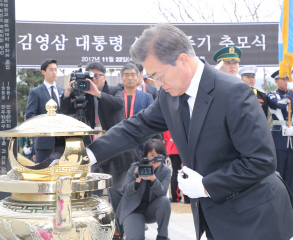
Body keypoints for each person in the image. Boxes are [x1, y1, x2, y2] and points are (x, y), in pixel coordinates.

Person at [86, 23, 293, 240]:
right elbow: (134, 127)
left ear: (183, 60)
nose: (157, 83)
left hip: (255, 216)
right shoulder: (169, 95)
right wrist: (85, 156)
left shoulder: (233, 92)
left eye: (158, 75)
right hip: (215, 216)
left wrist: (205, 186)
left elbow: (261, 160)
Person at [60, 61, 141, 239]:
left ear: (104, 76)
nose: (93, 79)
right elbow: (63, 111)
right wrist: (68, 92)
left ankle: (118, 230)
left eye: (97, 76)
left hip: (116, 150)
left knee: (117, 192)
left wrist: (97, 93)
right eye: (90, 75)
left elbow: (118, 104)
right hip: (92, 151)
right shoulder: (82, 94)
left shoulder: (114, 90)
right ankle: (94, 229)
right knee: (92, 192)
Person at [115, 139, 171, 240]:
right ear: (146, 155)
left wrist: (153, 179)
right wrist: (137, 180)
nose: (155, 159)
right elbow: (125, 191)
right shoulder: (135, 167)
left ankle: (162, 236)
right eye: (152, 155)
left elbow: (162, 192)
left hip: (151, 210)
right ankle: (123, 228)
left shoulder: (165, 171)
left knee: (165, 201)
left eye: (158, 155)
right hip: (133, 210)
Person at [25, 59, 65, 163]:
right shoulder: (35, 92)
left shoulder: (63, 91)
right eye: (51, 70)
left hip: (63, 143)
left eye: (56, 69)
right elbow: (30, 116)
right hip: (44, 143)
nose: (54, 72)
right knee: (44, 174)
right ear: (43, 72)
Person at [267, 70, 293, 192]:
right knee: (279, 171)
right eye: (283, 79)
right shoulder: (272, 95)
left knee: (291, 173)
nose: (286, 81)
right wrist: (290, 95)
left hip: (291, 139)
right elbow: (279, 105)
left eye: (288, 78)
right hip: (278, 137)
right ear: (276, 81)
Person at [121, 63, 153, 154]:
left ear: (138, 77)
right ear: (121, 78)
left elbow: (150, 119)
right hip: (120, 138)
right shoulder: (116, 97)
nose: (130, 78)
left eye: (133, 75)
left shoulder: (147, 97)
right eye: (126, 75)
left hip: (141, 139)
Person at [163, 130, 190, 204]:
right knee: (183, 172)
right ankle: (185, 198)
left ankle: (176, 197)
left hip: (170, 147)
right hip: (179, 148)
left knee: (176, 172)